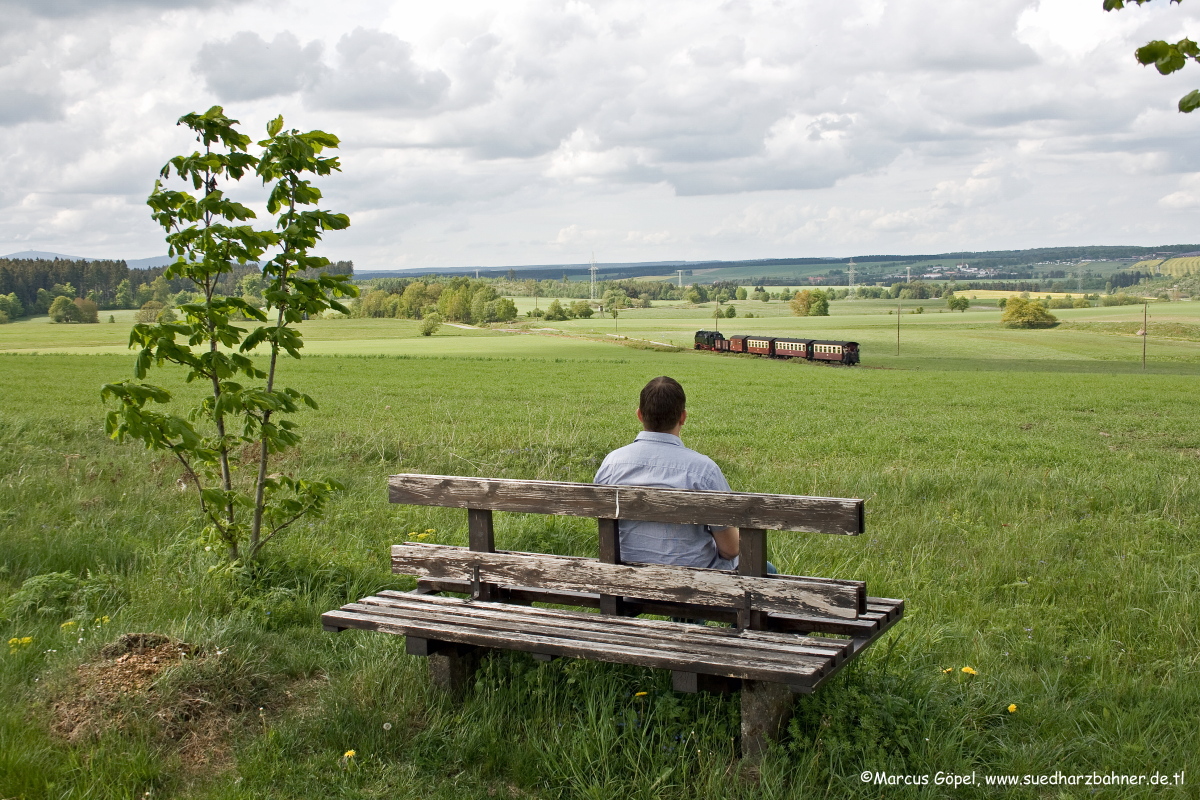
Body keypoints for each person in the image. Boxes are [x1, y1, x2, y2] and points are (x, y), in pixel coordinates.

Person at [593, 376, 740, 570]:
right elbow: (730, 549)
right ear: (683, 417)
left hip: (629, 583)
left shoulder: (611, 465)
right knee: (767, 570)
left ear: (639, 415)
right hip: (694, 589)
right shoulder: (704, 471)